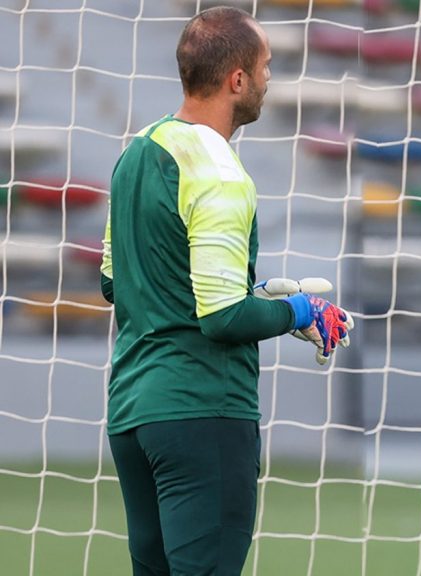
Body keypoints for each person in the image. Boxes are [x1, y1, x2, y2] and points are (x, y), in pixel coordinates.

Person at [99, 7, 353, 574]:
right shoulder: (220, 170)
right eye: (265, 67)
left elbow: (116, 283)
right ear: (236, 79)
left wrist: (253, 290)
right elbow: (219, 319)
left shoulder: (137, 150)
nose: (269, 79)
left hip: (132, 415)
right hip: (202, 412)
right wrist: (298, 309)